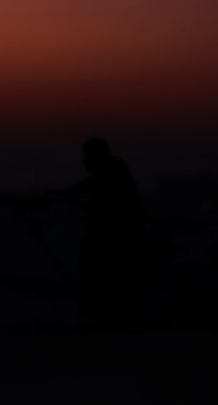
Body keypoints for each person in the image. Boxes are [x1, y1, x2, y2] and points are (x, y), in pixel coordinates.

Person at [60, 137, 146, 329]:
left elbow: (93, 188)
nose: (85, 161)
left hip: (114, 240)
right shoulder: (113, 173)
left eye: (87, 156)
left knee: (108, 278)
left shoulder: (110, 176)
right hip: (118, 238)